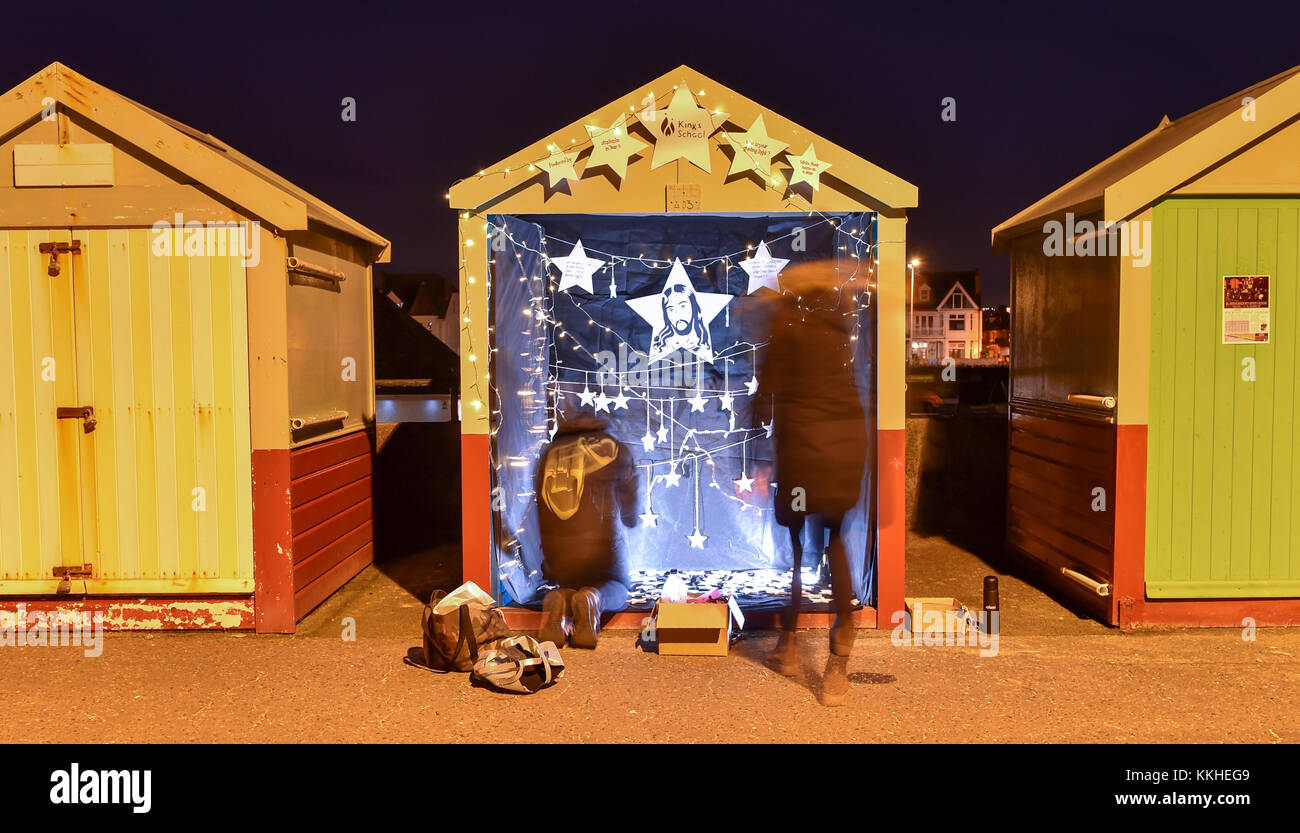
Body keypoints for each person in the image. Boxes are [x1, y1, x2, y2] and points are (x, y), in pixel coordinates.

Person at [757, 261, 869, 706]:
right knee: (835, 540)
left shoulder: (787, 327)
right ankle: (836, 664)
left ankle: (788, 644)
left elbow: (765, 394)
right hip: (844, 445)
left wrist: (761, 462)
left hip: (803, 447)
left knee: (799, 548)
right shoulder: (842, 330)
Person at [535, 413, 638, 649]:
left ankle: (559, 598)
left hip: (558, 548)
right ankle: (594, 599)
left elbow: (539, 503)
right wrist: (630, 518)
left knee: (570, 584)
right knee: (619, 586)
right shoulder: (613, 448)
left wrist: (548, 548)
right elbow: (629, 496)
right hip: (600, 545)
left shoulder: (550, 452)